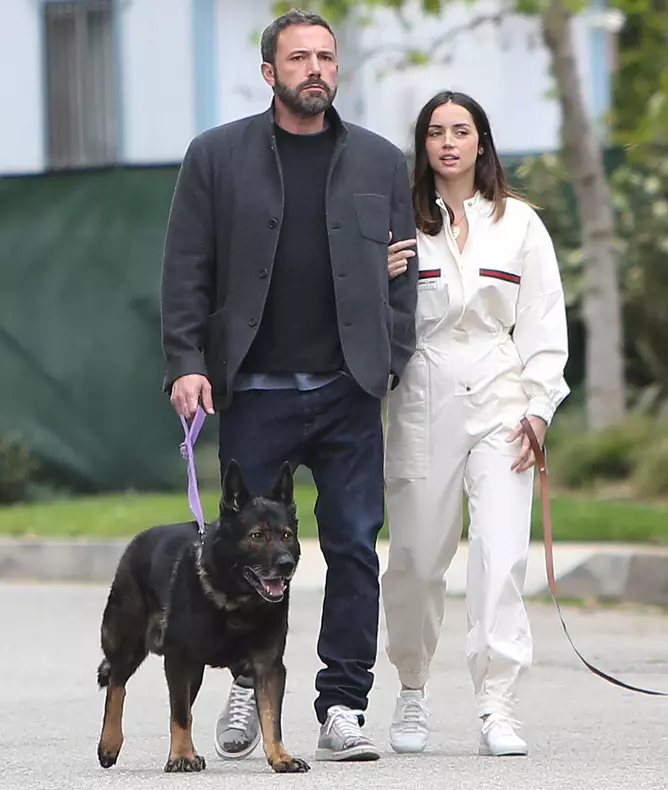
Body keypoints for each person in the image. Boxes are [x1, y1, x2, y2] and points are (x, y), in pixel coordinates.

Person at [160, 8, 418, 763]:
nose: (316, 69)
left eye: (326, 58)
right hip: (255, 391)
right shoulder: (215, 156)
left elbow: (404, 277)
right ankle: (246, 679)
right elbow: (185, 270)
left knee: (353, 546)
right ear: (269, 72)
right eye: (299, 58)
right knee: (243, 552)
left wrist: (391, 357)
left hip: (348, 389)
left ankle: (342, 704)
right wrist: (186, 361)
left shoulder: (377, 161)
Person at [381, 91, 570, 757]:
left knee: (500, 553)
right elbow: (365, 315)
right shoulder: (400, 220)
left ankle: (496, 701)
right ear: (423, 145)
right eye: (436, 132)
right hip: (422, 395)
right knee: (415, 556)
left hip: (501, 396)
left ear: (483, 142)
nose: (449, 143)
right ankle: (411, 688)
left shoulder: (519, 223)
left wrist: (540, 407)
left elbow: (544, 321)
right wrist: (384, 278)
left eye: (462, 131)